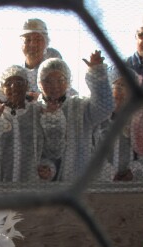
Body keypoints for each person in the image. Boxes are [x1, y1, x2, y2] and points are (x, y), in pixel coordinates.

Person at [35, 53, 113, 182]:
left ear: (68, 82)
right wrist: (48, 168)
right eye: (48, 81)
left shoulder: (79, 107)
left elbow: (105, 107)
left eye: (60, 80)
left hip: (79, 181)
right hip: (44, 187)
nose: (54, 86)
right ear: (39, 83)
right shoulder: (34, 110)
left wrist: (97, 73)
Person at [0, 65, 61, 183]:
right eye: (8, 83)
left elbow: (50, 151)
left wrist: (47, 167)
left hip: (29, 188)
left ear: (27, 86)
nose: (14, 87)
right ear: (1, 88)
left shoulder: (38, 113)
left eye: (19, 82)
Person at [93, 69, 143, 182]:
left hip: (131, 189)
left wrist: (132, 173)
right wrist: (110, 174)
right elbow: (90, 152)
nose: (120, 90)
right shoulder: (97, 119)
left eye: (125, 86)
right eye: (116, 85)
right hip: (100, 187)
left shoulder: (139, 120)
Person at [19, 19, 62, 99]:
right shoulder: (15, 75)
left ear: (46, 42)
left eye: (38, 39)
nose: (33, 44)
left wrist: (42, 99)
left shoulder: (54, 68)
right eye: (28, 40)